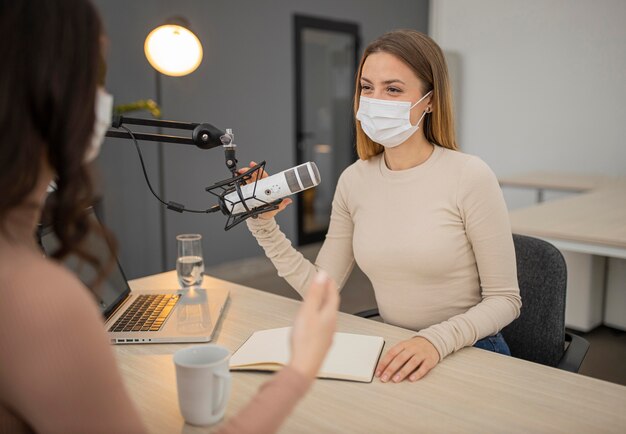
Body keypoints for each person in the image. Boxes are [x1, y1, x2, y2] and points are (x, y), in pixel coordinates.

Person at [0, 1, 338, 433]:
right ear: (51, 97)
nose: (103, 101)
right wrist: (298, 369)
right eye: (94, 77)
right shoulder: (39, 302)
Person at [241, 29, 522, 383]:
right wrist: (263, 224)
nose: (375, 100)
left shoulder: (470, 175)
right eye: (366, 87)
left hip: (471, 349)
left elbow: (506, 299)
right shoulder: (354, 181)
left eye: (393, 89)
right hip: (396, 348)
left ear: (430, 100)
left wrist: (435, 340)